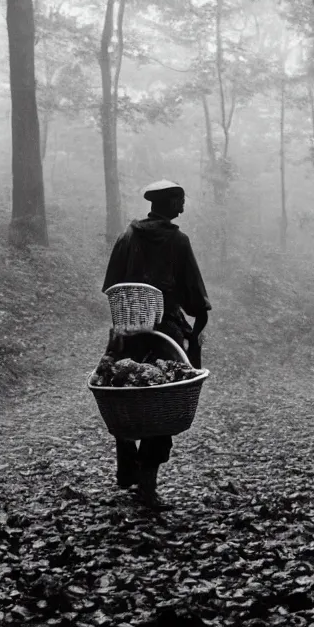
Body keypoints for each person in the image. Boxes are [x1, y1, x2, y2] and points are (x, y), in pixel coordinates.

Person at [102, 179, 211, 509]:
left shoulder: (126, 237)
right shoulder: (178, 240)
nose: (183, 205)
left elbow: (112, 285)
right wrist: (195, 331)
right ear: (170, 202)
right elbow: (195, 296)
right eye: (180, 199)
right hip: (165, 333)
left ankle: (127, 467)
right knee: (161, 401)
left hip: (127, 329)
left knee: (123, 392)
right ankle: (146, 488)